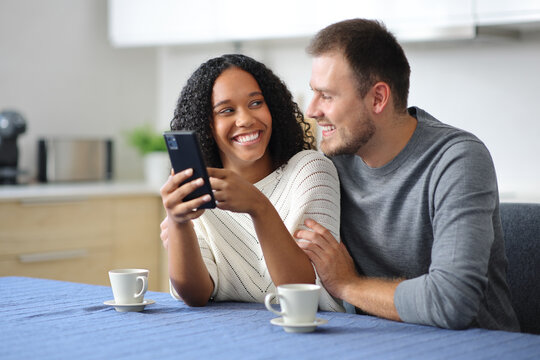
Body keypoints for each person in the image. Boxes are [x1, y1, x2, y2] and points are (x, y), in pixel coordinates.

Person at [294, 19, 520, 331]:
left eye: (327, 95)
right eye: (313, 93)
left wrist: (348, 285)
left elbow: (452, 301)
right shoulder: (332, 162)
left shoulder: (457, 160)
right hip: (378, 343)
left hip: (474, 347)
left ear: (377, 98)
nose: (312, 110)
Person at [160, 54, 344, 312]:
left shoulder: (310, 170)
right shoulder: (200, 190)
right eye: (226, 110)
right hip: (232, 338)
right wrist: (178, 223)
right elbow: (195, 295)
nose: (245, 119)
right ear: (206, 124)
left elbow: (303, 291)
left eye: (256, 103)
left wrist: (258, 206)